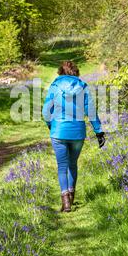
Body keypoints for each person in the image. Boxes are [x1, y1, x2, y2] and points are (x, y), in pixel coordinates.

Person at [42, 60, 105, 213]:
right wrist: (99, 131)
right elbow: (90, 111)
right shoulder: (82, 87)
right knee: (72, 164)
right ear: (76, 72)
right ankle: (71, 196)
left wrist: (51, 125)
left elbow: (45, 112)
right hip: (77, 132)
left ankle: (66, 202)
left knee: (62, 167)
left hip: (58, 132)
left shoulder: (55, 86)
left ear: (60, 72)